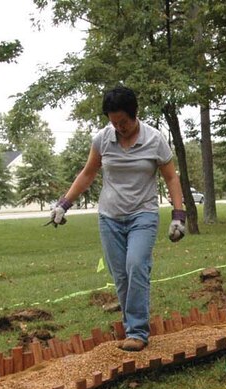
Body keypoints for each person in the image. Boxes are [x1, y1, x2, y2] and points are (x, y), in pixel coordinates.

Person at [48, 86, 185, 353]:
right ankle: (131, 325)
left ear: (135, 114)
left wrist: (178, 215)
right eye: (113, 122)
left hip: (143, 214)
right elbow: (88, 174)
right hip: (109, 217)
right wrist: (64, 203)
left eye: (123, 121)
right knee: (120, 275)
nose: (118, 127)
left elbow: (171, 177)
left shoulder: (155, 140)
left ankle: (137, 332)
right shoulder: (103, 139)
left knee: (136, 266)